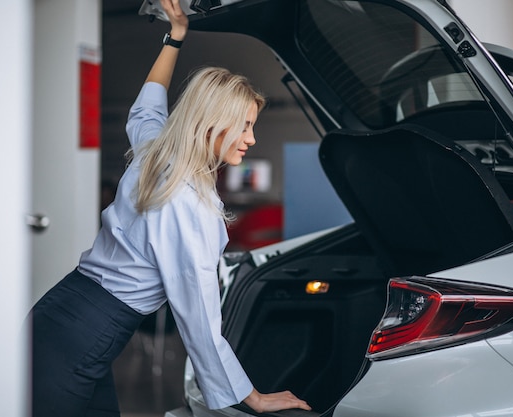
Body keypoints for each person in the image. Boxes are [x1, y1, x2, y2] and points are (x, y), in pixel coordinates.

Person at [28, 0, 312, 416]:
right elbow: (198, 317)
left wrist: (175, 35)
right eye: (245, 125)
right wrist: (252, 397)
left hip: (59, 314)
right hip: (89, 333)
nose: (251, 138)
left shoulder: (153, 152)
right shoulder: (188, 202)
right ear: (212, 122)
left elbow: (147, 104)